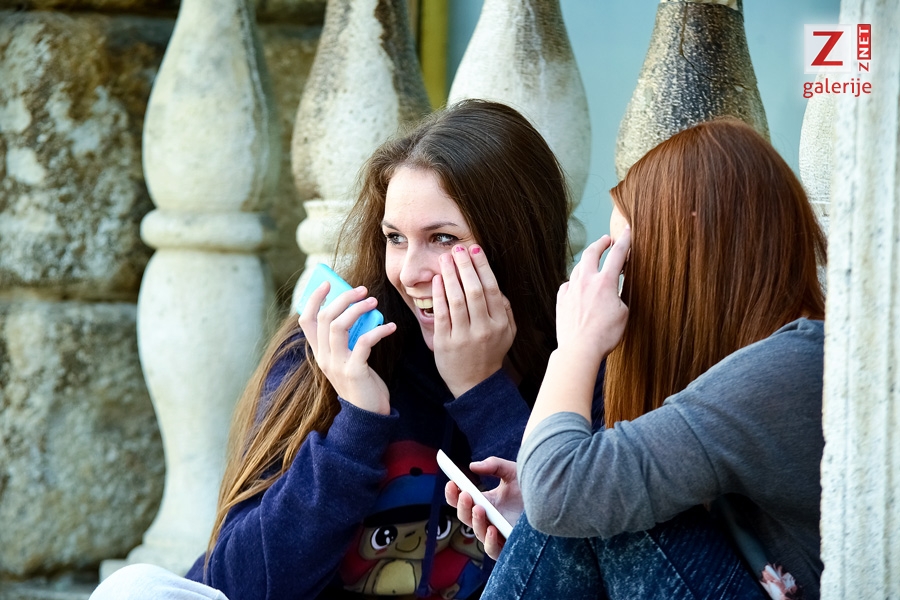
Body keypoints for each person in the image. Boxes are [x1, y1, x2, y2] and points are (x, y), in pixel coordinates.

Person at [91, 99, 597, 600]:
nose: (409, 272)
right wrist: (357, 426)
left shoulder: (578, 365)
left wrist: (482, 391)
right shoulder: (336, 350)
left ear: (515, 240)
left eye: (443, 238)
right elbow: (234, 585)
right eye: (395, 238)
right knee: (132, 591)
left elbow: (575, 575)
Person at [448, 118, 827, 600]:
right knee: (582, 503)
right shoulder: (775, 362)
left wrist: (576, 346)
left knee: (585, 494)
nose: (618, 295)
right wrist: (541, 523)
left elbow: (563, 488)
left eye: (626, 268)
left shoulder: (784, 370)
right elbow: (562, 496)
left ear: (688, 250)